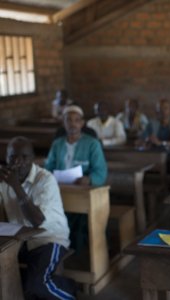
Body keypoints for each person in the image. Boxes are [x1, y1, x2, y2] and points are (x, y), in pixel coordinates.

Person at [0, 137, 75, 299]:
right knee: (19, 283)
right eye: (12, 156)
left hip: (49, 239)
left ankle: (70, 292)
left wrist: (16, 187)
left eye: (24, 157)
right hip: (20, 241)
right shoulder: (5, 179)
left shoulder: (45, 179)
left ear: (33, 159)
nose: (18, 162)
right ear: (5, 158)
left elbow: (37, 221)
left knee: (36, 285)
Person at [45, 105, 108, 252]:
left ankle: (77, 251)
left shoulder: (92, 144)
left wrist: (89, 179)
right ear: (63, 123)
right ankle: (56, 250)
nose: (73, 124)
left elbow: (101, 171)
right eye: (68, 120)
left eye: (77, 120)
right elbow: (48, 168)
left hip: (83, 192)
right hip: (59, 191)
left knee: (79, 220)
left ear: (82, 123)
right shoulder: (57, 144)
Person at [139, 98, 170, 190]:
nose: (162, 111)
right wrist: (147, 140)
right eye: (159, 109)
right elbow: (141, 140)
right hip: (157, 156)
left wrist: (161, 142)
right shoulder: (152, 123)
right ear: (156, 111)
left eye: (165, 108)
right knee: (143, 170)